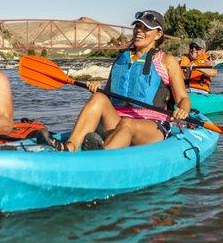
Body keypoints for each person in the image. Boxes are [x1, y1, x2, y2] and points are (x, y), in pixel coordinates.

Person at [37, 10, 190, 152]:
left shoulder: (167, 61)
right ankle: (70, 147)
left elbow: (183, 98)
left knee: (127, 123)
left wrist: (182, 110)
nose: (139, 30)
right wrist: (99, 88)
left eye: (146, 28)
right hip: (116, 121)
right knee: (98, 98)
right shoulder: (121, 58)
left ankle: (102, 156)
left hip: (152, 126)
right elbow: (110, 96)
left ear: (158, 34)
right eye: (137, 26)